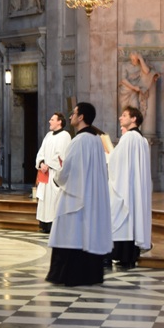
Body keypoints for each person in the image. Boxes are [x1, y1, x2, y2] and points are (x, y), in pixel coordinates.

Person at [46, 103, 112, 287]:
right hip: (92, 198)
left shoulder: (78, 142)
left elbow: (68, 171)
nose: (71, 116)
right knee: (87, 235)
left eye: (74, 113)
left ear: (81, 117)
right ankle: (88, 275)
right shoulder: (96, 140)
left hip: (76, 198)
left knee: (70, 233)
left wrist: (57, 176)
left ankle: (67, 275)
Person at [108, 106, 153, 269]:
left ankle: (121, 254)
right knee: (132, 219)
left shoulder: (128, 138)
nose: (120, 118)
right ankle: (129, 255)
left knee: (122, 218)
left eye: (124, 115)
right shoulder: (142, 139)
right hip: (135, 187)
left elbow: (115, 161)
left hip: (126, 186)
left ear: (134, 119)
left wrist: (106, 153)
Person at [35, 112, 72, 234]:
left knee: (54, 201)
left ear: (59, 122)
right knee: (45, 200)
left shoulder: (65, 136)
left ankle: (54, 226)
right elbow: (41, 153)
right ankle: (44, 225)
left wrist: (51, 165)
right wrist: (41, 164)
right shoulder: (48, 135)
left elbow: (65, 157)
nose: (49, 121)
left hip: (55, 173)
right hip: (45, 172)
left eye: (52, 119)